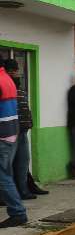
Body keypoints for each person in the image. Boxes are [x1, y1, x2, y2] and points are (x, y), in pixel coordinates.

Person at [3, 59, 45, 200]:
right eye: (12, 70)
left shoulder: (19, 87)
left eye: (16, 69)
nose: (15, 72)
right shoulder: (6, 85)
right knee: (7, 165)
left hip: (22, 130)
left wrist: (29, 123)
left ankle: (23, 191)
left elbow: (25, 108)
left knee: (23, 163)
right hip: (9, 131)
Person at [0, 59, 27, 228]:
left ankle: (18, 212)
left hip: (3, 135)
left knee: (3, 176)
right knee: (5, 174)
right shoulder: (7, 79)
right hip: (11, 134)